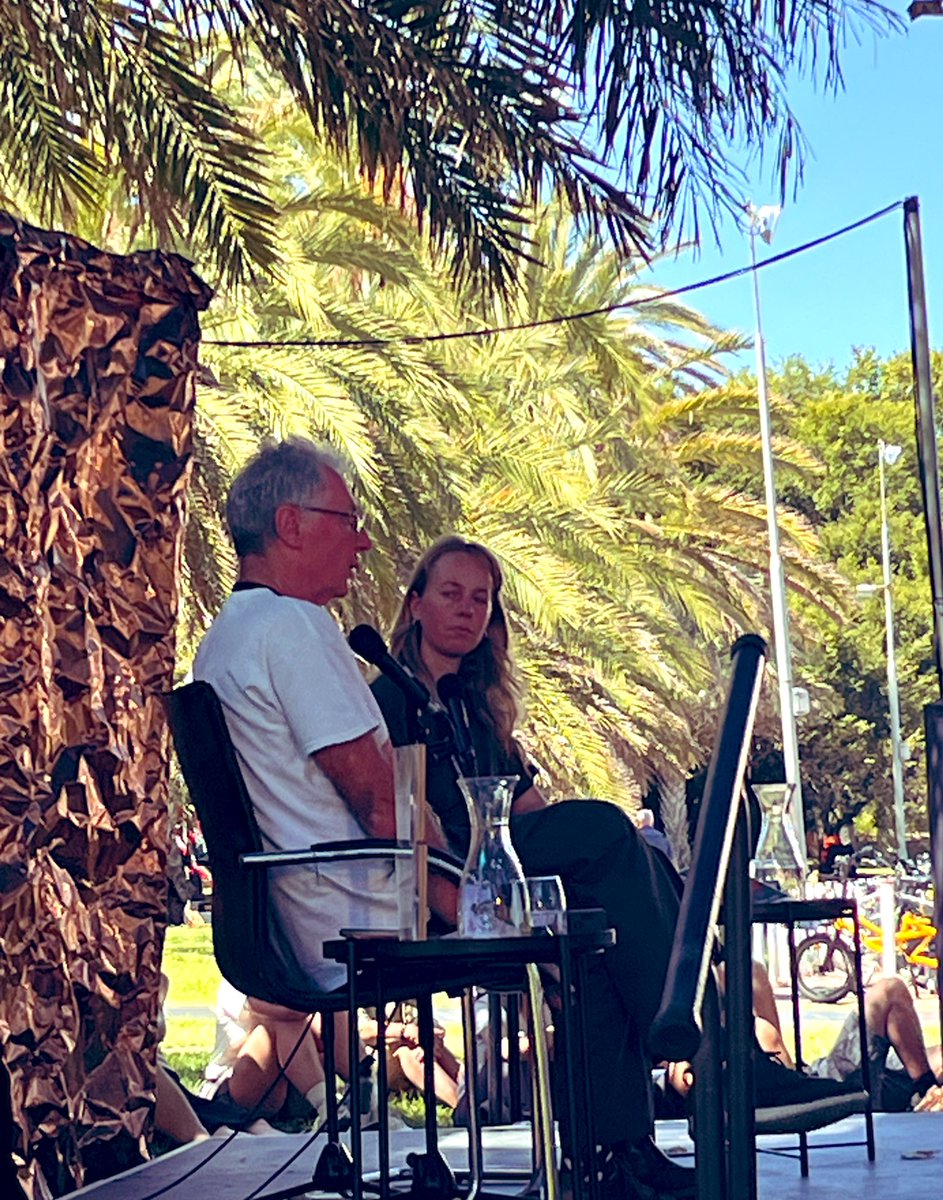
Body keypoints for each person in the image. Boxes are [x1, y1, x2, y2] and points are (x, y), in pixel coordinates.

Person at [751, 966, 943, 1113]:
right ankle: (926, 1089)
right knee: (889, 991)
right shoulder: (748, 1035)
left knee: (938, 1056)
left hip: (818, 1077)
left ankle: (927, 1090)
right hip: (825, 1086)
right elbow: (787, 1083)